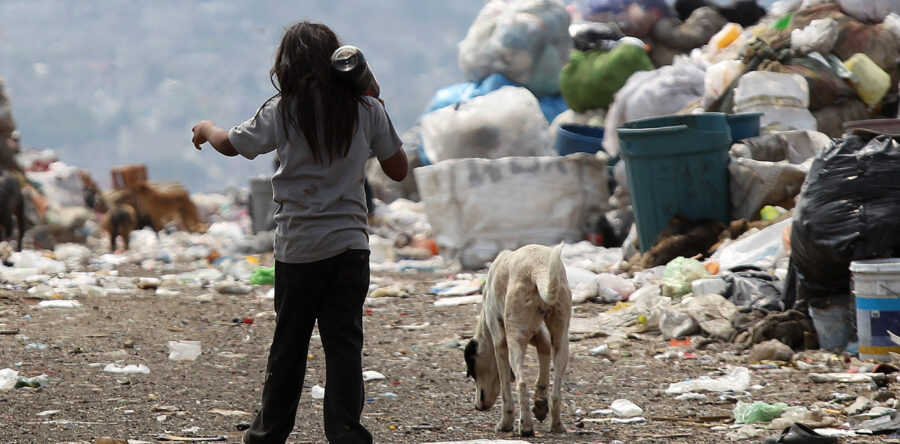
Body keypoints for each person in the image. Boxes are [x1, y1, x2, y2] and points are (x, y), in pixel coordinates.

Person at [191, 21, 407, 444]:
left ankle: (268, 435)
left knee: (289, 347)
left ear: (286, 66)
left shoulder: (283, 109)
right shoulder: (366, 110)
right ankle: (346, 435)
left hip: (299, 249)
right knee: (343, 346)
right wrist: (374, 97)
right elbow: (397, 169)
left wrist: (205, 127)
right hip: (350, 248)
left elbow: (232, 143)